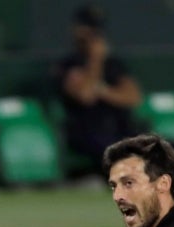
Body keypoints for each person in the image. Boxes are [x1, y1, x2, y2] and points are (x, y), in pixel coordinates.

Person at [55, 4, 143, 171]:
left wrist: (104, 91)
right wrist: (96, 60)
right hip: (88, 131)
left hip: (120, 128)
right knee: (111, 150)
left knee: (167, 148)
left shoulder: (114, 64)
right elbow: (86, 96)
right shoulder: (68, 64)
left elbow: (133, 97)